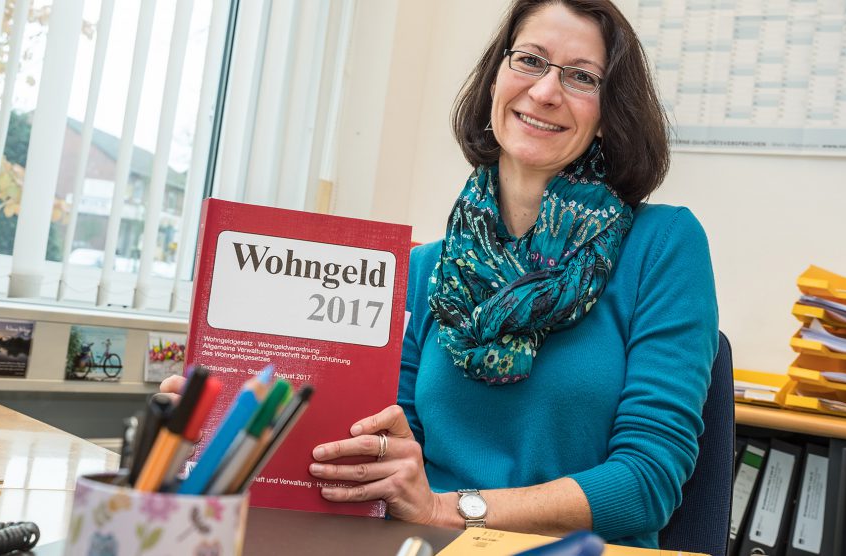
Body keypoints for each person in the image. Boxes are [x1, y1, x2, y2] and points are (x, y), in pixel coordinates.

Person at [163, 0, 716, 549]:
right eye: (529, 60)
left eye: (581, 77)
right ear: (495, 78)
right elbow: (378, 460)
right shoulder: (425, 269)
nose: (546, 91)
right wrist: (221, 434)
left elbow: (648, 480)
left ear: (607, 116)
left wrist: (450, 509)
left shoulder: (663, 246)